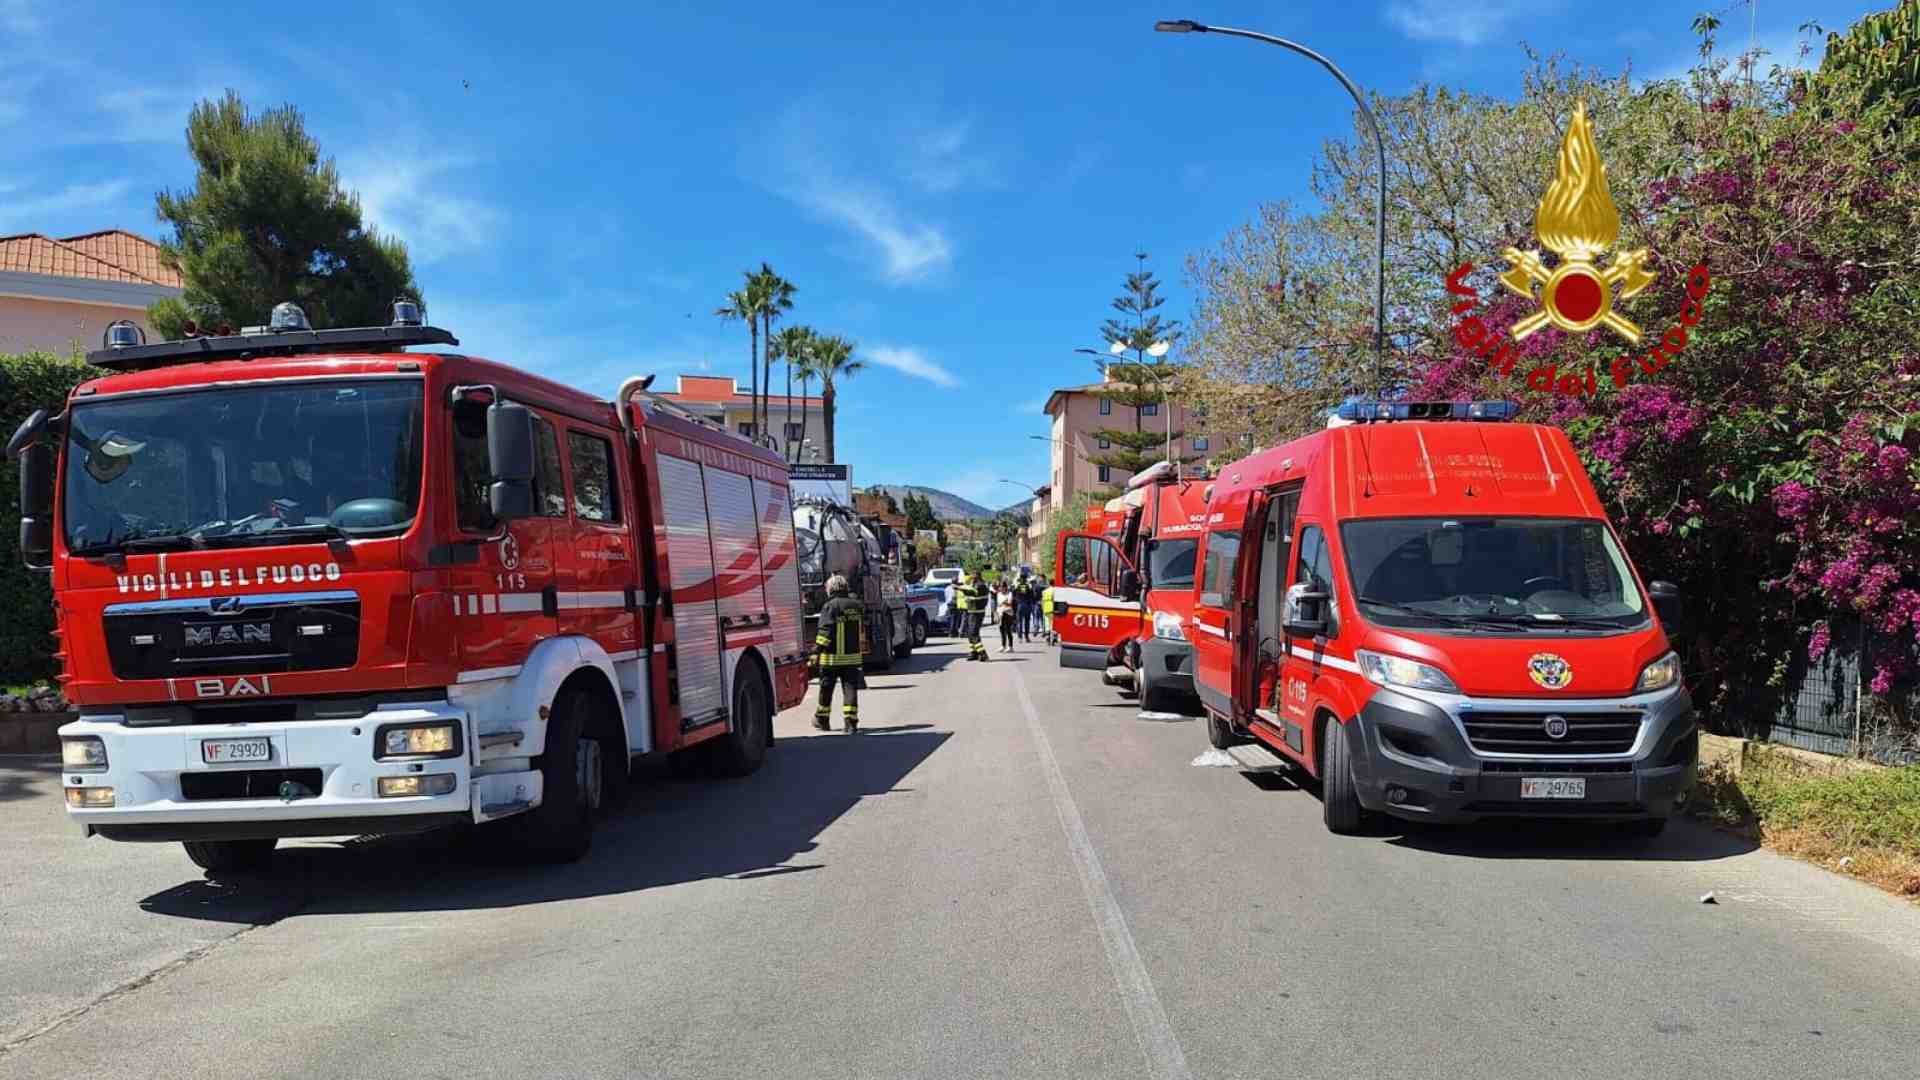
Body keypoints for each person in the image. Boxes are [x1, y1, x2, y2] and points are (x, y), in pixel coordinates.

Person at [812, 574, 865, 733]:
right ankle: (850, 723)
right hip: (852, 657)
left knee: (826, 690)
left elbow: (825, 632)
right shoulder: (857, 605)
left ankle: (822, 720)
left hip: (831, 659)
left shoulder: (830, 606)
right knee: (850, 690)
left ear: (832, 589)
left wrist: (816, 651)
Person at [962, 574, 991, 661]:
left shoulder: (980, 586)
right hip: (971, 612)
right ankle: (974, 652)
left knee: (973, 633)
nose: (971, 579)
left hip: (976, 613)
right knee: (970, 633)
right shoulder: (977, 585)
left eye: (972, 577)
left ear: (976, 577)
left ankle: (983, 654)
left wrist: (959, 588)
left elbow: (972, 592)